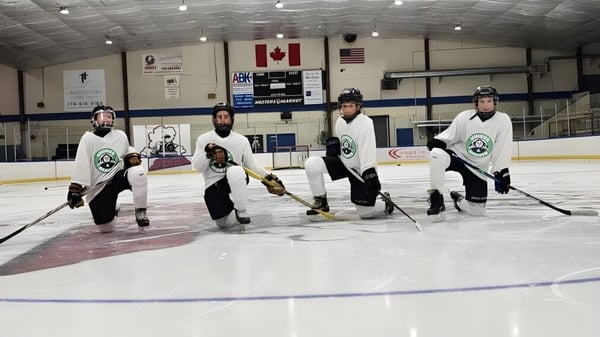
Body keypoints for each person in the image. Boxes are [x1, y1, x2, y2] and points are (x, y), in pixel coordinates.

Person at [192, 102, 285, 231]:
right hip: (214, 185)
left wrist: (268, 177)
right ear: (214, 119)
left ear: (232, 119)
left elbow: (251, 166)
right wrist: (209, 155)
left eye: (226, 117)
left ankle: (241, 210)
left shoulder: (241, 140)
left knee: (235, 170)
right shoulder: (204, 139)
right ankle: (233, 213)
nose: (223, 120)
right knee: (224, 223)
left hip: (236, 179)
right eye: (219, 117)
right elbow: (197, 167)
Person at [303, 88, 393, 218]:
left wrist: (369, 172)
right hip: (343, 164)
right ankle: (321, 201)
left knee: (365, 213)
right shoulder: (339, 121)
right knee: (312, 164)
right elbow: (345, 144)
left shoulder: (365, 123)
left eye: (351, 106)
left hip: (359, 171)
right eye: (344, 106)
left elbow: (367, 149)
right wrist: (335, 150)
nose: (347, 109)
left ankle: (385, 203)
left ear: (358, 106)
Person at [426, 85, 513, 220]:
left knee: (477, 211)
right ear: (476, 103)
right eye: (482, 101)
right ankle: (436, 197)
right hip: (457, 157)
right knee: (436, 154)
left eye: (489, 101)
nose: (485, 105)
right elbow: (449, 136)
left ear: (495, 103)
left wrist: (501, 171)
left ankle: (459, 201)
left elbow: (502, 147)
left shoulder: (503, 120)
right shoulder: (464, 117)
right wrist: (438, 142)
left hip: (477, 168)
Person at [67, 105, 150, 233]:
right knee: (106, 228)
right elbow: (81, 164)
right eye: (101, 116)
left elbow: (127, 149)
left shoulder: (120, 135)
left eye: (109, 116)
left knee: (138, 173)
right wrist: (75, 189)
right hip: (99, 187)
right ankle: (112, 210)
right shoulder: (88, 138)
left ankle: (141, 211)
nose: (106, 119)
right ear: (93, 120)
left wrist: (132, 155)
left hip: (116, 178)